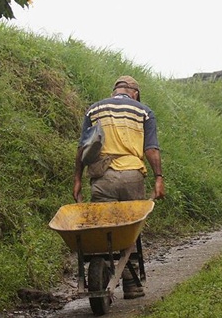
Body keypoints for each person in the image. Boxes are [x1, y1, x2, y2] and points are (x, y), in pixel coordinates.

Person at [73, 75, 165, 299]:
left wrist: (77, 179)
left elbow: (82, 148)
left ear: (115, 91)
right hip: (132, 176)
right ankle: (131, 285)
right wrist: (158, 177)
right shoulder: (143, 111)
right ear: (134, 93)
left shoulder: (94, 110)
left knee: (104, 231)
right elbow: (151, 149)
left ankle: (102, 272)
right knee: (129, 230)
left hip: (103, 178)